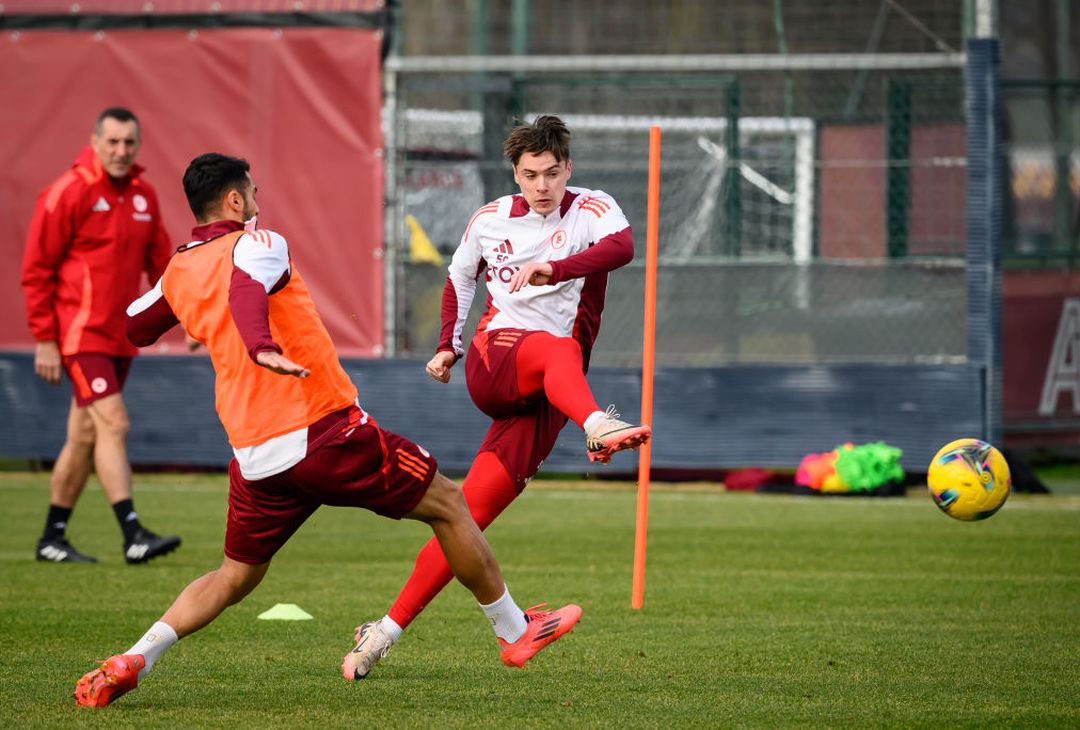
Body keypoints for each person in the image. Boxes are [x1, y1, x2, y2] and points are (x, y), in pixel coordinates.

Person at [73, 153, 581, 708]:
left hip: (256, 455)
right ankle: (514, 632)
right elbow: (246, 290)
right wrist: (260, 345)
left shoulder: (180, 269)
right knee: (449, 505)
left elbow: (134, 326)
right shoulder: (259, 242)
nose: (259, 202)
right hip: (320, 429)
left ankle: (135, 658)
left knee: (234, 576)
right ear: (236, 201)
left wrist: (196, 310)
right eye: (254, 192)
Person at [345, 115, 650, 679]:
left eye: (552, 174)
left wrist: (553, 268)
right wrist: (447, 345)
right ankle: (596, 424)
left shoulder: (593, 207)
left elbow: (625, 247)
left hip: (550, 391)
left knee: (467, 517)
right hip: (497, 357)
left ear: (568, 170)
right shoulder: (488, 220)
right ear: (514, 173)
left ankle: (382, 633)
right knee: (558, 349)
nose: (542, 186)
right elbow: (461, 278)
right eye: (530, 175)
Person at [20, 107, 181, 565]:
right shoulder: (67, 192)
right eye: (112, 142)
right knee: (115, 423)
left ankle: (52, 538)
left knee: (84, 438)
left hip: (120, 339)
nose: (121, 151)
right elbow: (37, 271)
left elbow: (163, 269)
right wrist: (45, 338)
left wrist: (187, 318)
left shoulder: (143, 195)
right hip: (80, 335)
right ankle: (133, 533)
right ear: (94, 142)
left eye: (129, 143)